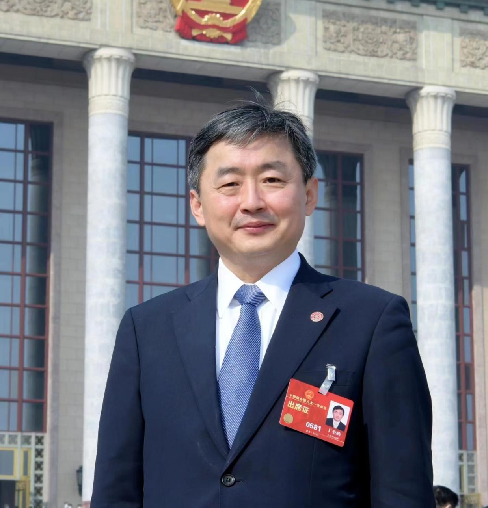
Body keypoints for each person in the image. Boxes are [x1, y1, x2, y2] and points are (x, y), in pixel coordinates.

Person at [91, 102, 433, 507]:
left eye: (272, 179)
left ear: (309, 194)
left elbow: (402, 491)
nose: (252, 202)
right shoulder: (147, 329)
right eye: (230, 184)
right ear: (197, 205)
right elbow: (116, 490)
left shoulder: (371, 321)